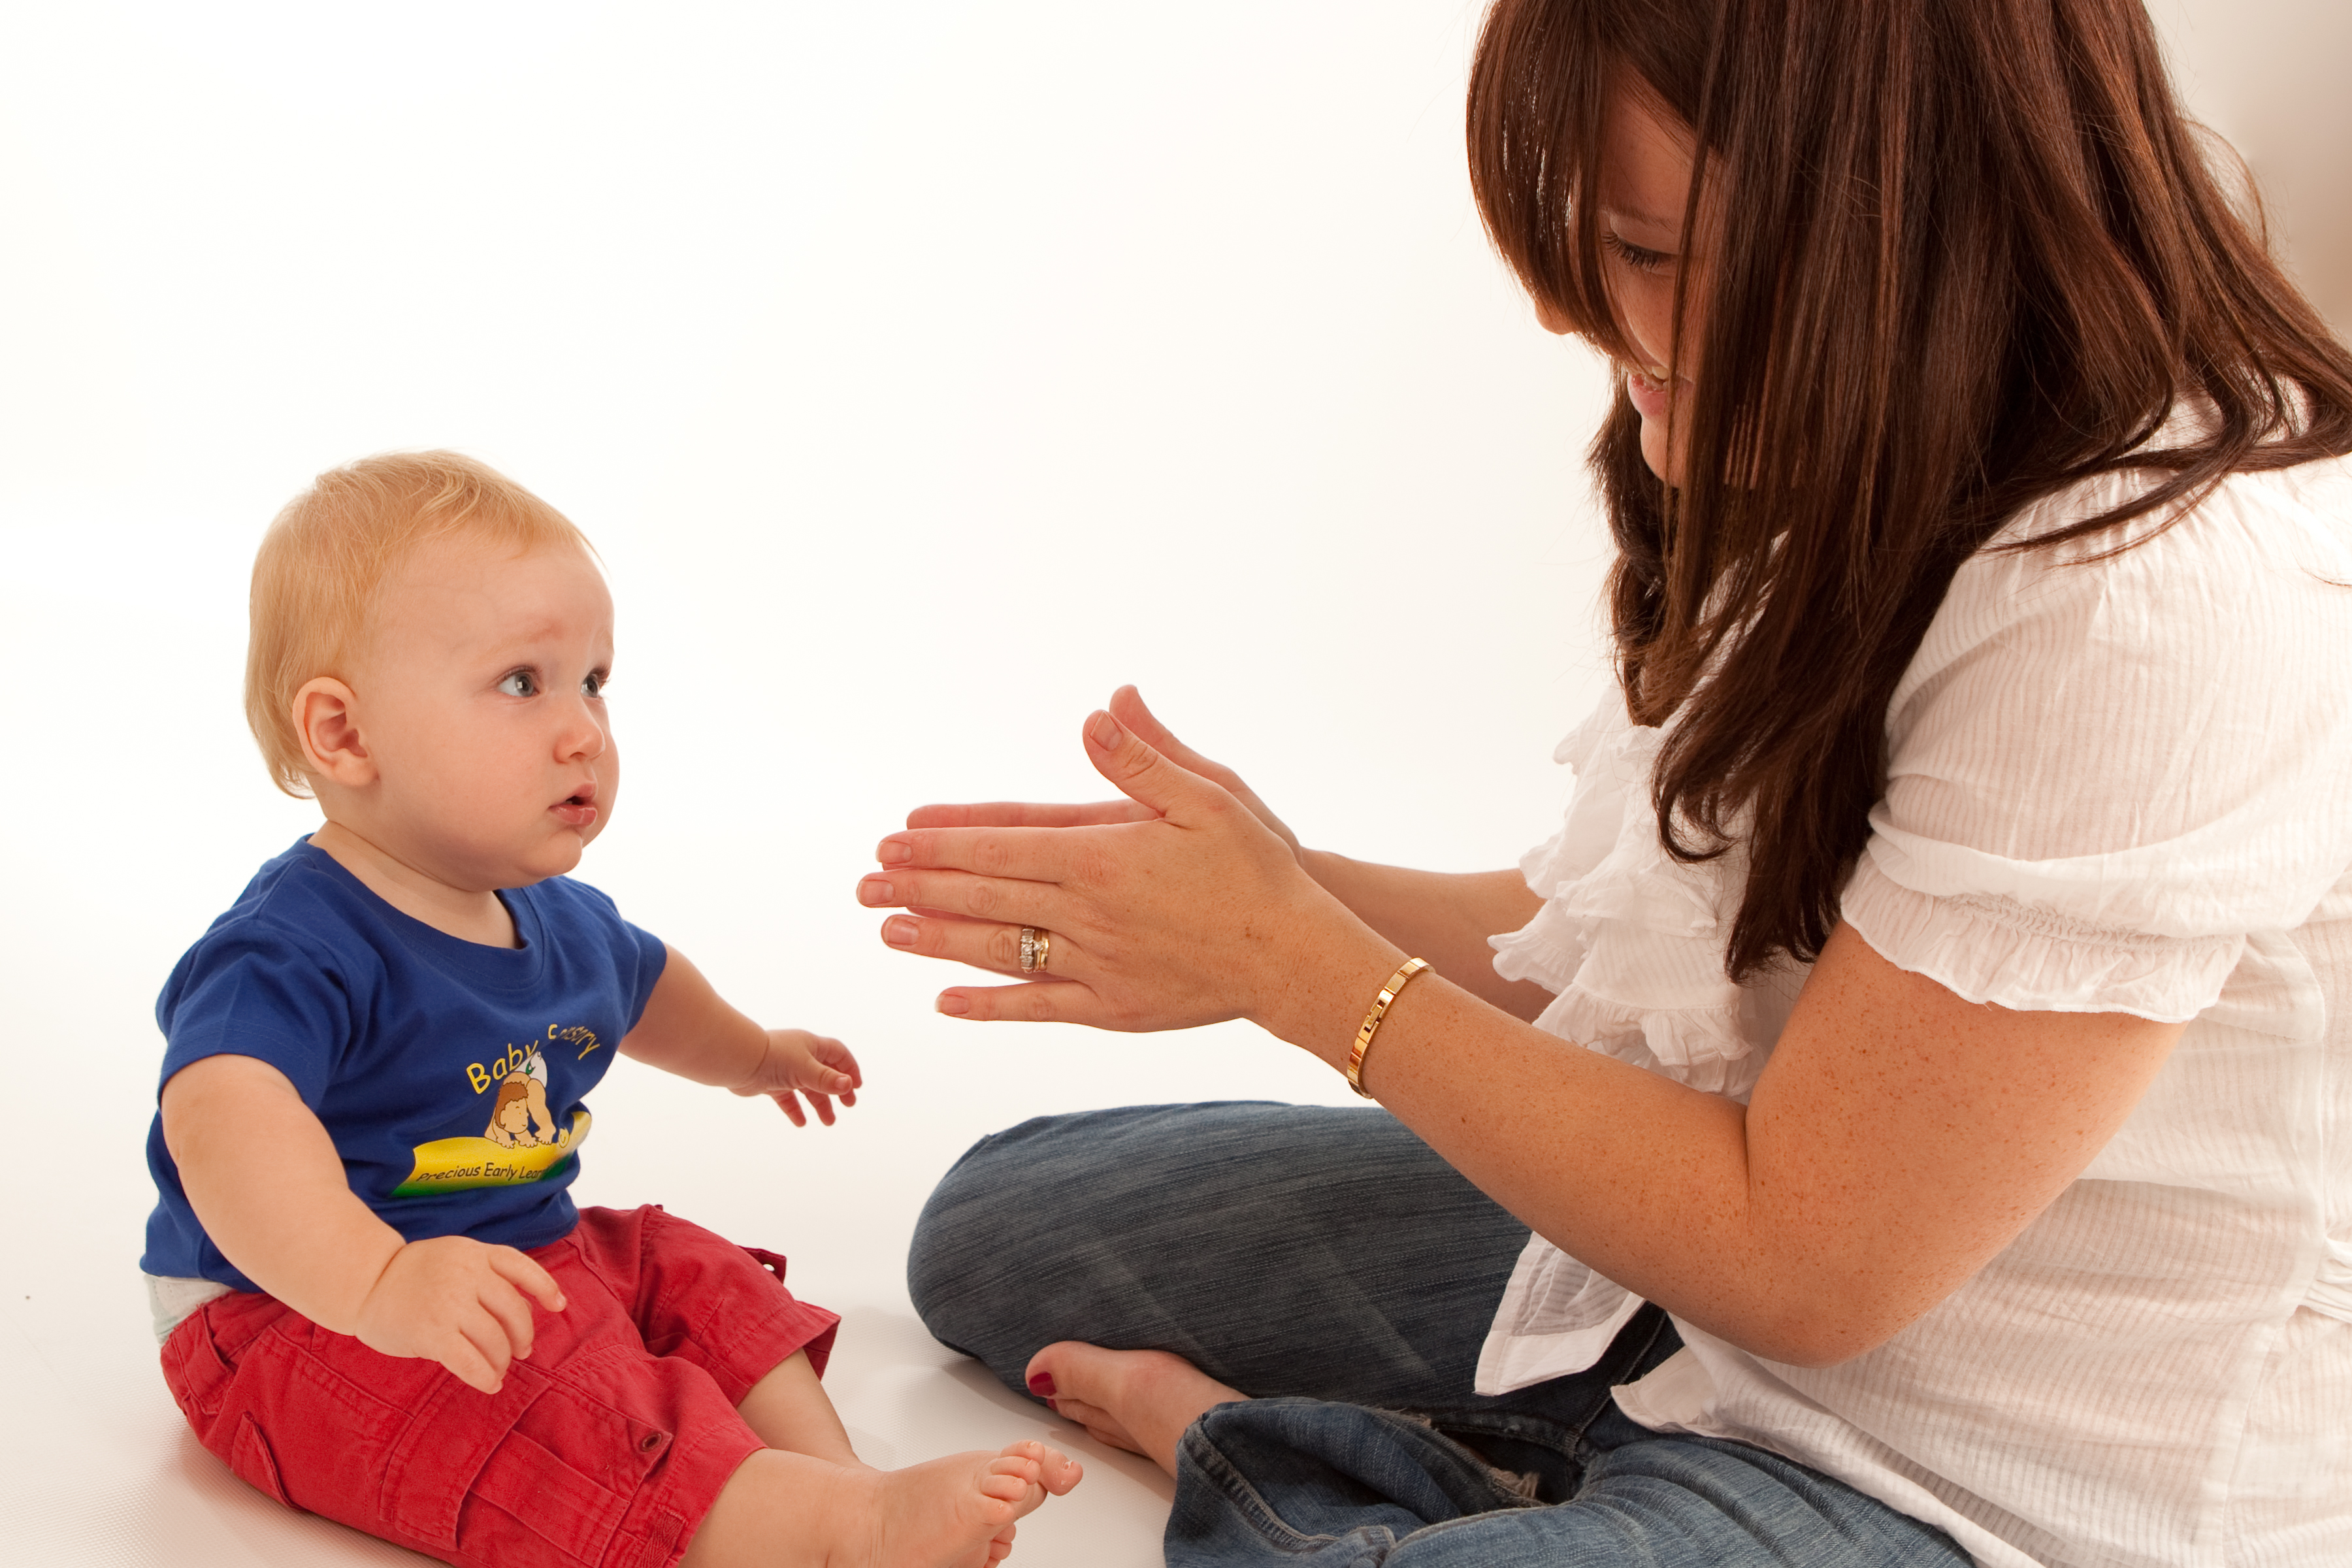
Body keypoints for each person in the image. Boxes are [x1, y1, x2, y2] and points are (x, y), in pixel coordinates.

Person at [863, 2, 2352, 1565]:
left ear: (1889, 228)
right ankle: (1487, 1471)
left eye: (1643, 254)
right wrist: (1265, 891)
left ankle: (1268, 1462)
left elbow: (1813, 1266)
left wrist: (1298, 970)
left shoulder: (2153, 599)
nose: (1581, 316)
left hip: (1976, 1465)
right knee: (1003, 1225)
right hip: (1704, 1301)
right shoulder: (1887, 431)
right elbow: (1662, 958)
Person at [140, 452, 1081, 1568]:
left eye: (593, 681)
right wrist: (378, 1283)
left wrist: (757, 1056)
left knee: (684, 1266)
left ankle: (834, 1486)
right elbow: (222, 1128)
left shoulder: (556, 915)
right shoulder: (294, 948)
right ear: (345, 736)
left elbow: (649, 990)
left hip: (513, 1248)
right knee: (546, 1417)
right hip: (291, 1319)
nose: (584, 729)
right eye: (521, 684)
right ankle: (822, 1536)